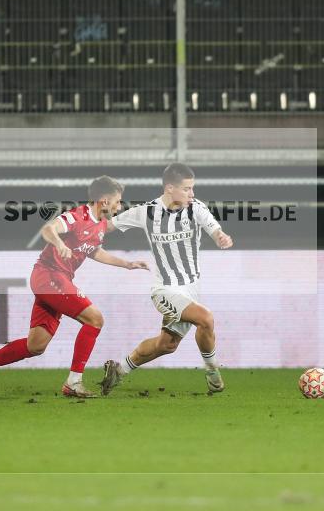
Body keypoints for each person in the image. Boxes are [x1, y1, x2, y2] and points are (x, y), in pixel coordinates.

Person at [0, 176, 149, 398]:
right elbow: (48, 229)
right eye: (117, 201)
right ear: (104, 201)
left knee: (35, 345)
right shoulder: (78, 216)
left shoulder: (100, 226)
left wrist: (127, 264)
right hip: (49, 276)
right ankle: (74, 382)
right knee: (95, 319)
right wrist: (58, 243)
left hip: (55, 281)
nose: (119, 205)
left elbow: (94, 251)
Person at [100, 163, 233, 395]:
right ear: (170, 188)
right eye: (187, 189)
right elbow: (108, 226)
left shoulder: (196, 208)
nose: (192, 194)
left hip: (190, 291)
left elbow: (214, 229)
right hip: (164, 290)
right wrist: (77, 227)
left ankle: (119, 370)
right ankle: (212, 372)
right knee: (206, 319)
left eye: (193, 189)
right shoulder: (147, 212)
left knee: (166, 345)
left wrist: (221, 237)